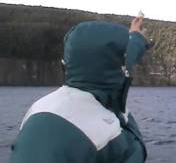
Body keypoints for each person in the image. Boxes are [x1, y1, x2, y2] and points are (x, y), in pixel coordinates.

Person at [10, 16, 149, 163]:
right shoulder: (108, 135)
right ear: (119, 68)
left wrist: (136, 37)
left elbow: (113, 60)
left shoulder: (40, 108)